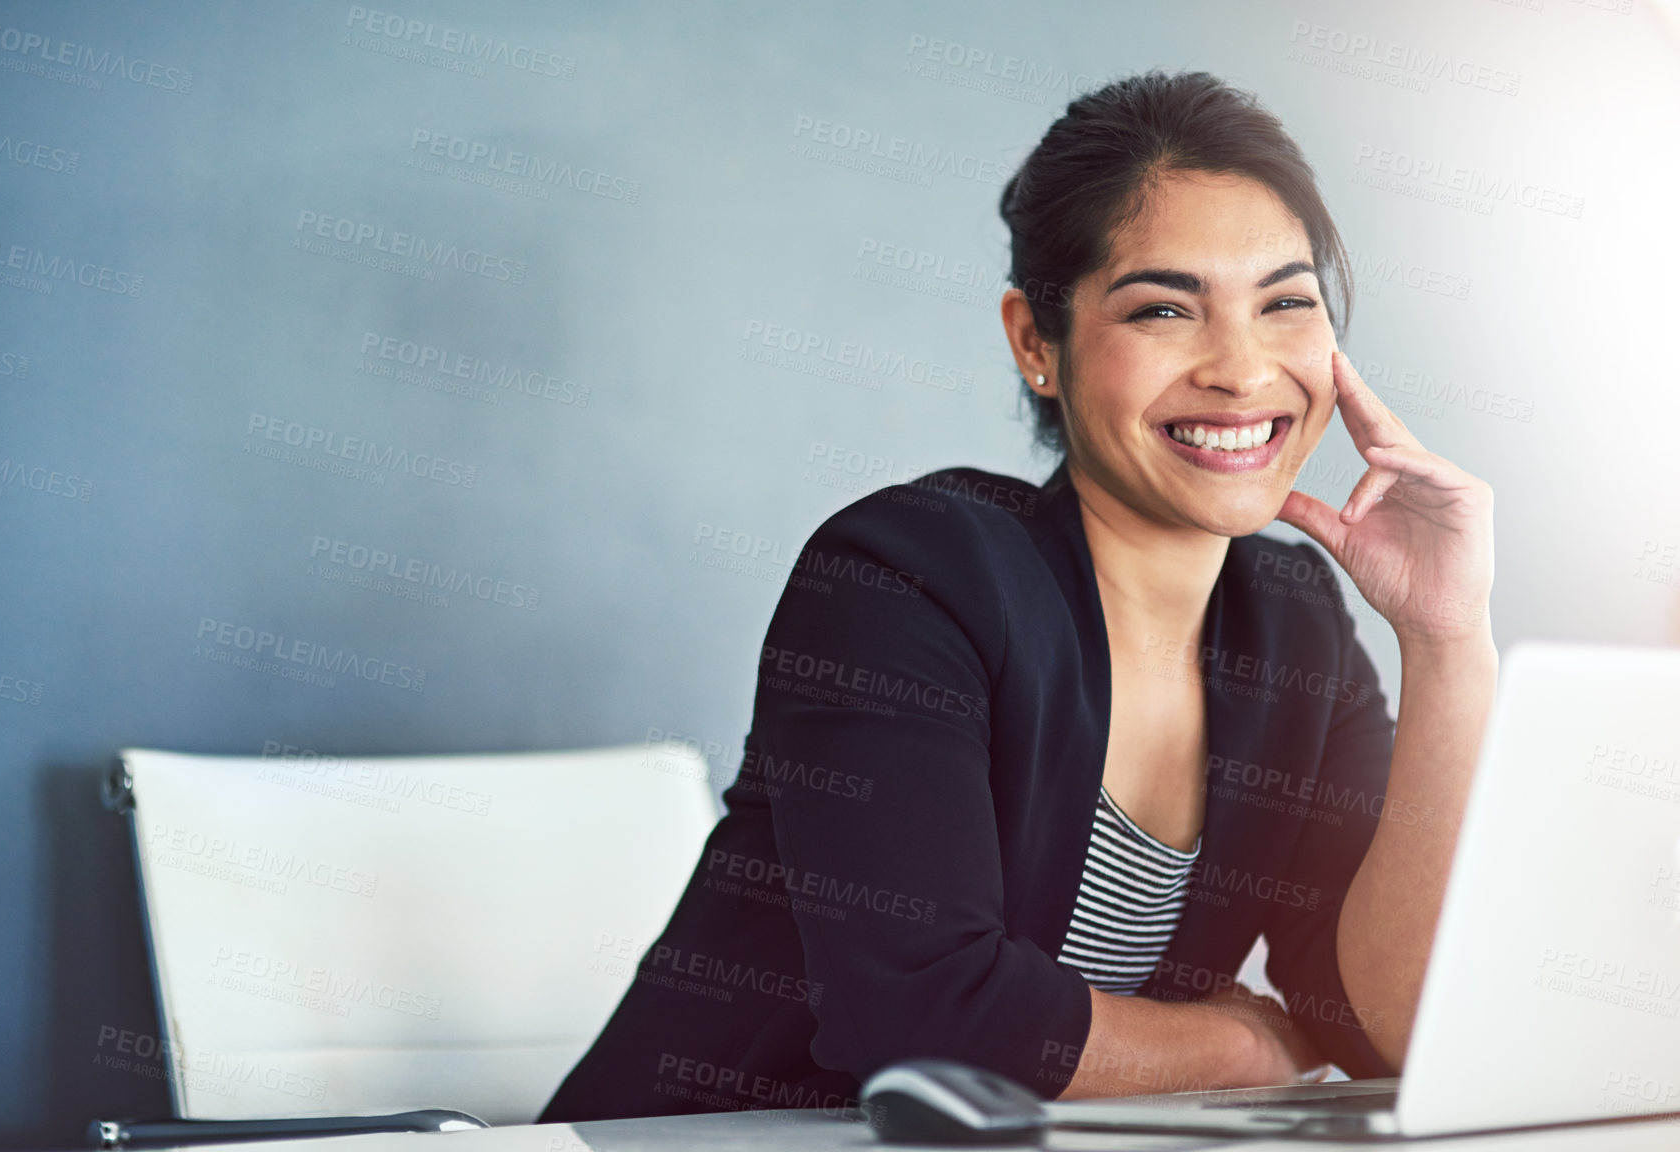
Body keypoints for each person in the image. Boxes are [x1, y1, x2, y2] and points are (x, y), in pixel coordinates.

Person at [539, 69, 1497, 1121]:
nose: (1241, 367)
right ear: (1035, 342)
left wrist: (1444, 640)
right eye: (1164, 308)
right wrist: (1247, 1047)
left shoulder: (1291, 620)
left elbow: (1391, 1022)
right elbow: (929, 1024)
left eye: (1285, 303)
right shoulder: (904, 578)